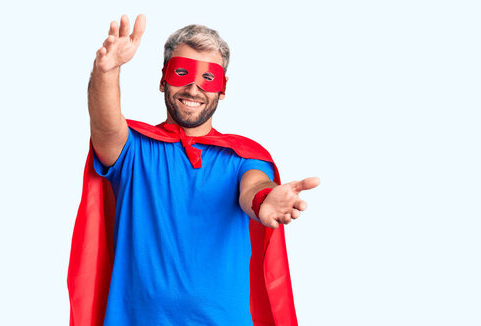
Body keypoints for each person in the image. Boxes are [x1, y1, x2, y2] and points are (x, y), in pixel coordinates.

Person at [68, 14, 319, 326]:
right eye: (182, 73)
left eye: (208, 79)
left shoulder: (244, 158)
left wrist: (264, 199)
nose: (193, 88)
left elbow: (253, 187)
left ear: (222, 90)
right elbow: (105, 128)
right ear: (163, 80)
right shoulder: (133, 150)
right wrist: (106, 71)